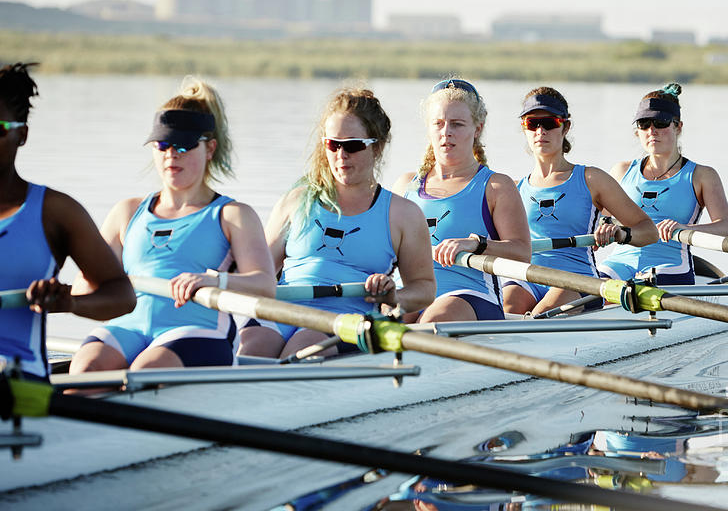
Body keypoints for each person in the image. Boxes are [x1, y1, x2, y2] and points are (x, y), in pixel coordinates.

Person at [68, 77, 275, 372]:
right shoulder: (126, 213)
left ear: (210, 148)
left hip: (196, 330)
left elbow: (265, 285)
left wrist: (213, 280)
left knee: (145, 371)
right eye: (162, 144)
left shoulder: (233, 215)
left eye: (183, 145)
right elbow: (80, 289)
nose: (170, 154)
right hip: (127, 327)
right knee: (84, 370)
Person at [238, 88, 435, 358]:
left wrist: (393, 297)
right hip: (283, 307)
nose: (341, 155)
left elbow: (424, 288)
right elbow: (259, 272)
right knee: (251, 353)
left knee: (299, 354)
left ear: (377, 146)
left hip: (345, 316)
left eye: (352, 145)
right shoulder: (296, 200)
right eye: (332, 144)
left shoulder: (403, 214)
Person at [0, 62, 135, 381]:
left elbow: (122, 296)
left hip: (17, 382)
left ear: (23, 135)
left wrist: (69, 302)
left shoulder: (56, 211)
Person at [502, 87, 657, 316]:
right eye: (532, 123)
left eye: (550, 122)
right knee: (504, 310)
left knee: (541, 317)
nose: (540, 131)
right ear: (524, 128)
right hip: (528, 277)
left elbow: (649, 231)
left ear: (565, 126)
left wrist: (620, 234)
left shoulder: (592, 179)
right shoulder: (514, 187)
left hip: (577, 279)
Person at [394, 78, 531, 323]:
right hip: (411, 293)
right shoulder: (406, 185)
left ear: (477, 128)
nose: (446, 132)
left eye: (457, 124)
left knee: (430, 325)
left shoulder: (496, 186)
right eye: (438, 124)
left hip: (468, 296)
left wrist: (475, 244)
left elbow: (522, 253)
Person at [596, 83, 728, 285]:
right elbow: (598, 220)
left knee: (638, 291)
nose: (652, 131)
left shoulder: (702, 175)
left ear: (678, 126)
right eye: (644, 124)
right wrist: (601, 228)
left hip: (669, 263)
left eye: (660, 122)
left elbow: (726, 228)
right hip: (619, 262)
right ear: (637, 131)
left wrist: (684, 228)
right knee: (591, 288)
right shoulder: (621, 172)